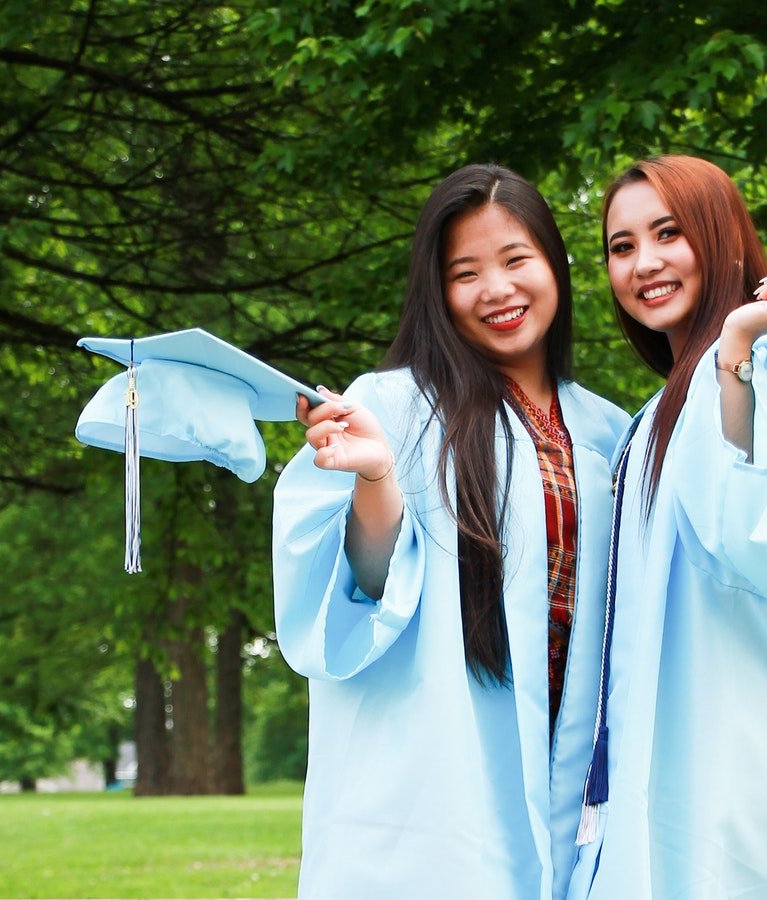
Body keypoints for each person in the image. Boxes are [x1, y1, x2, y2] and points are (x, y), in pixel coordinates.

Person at [272, 163, 630, 900]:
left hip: (573, 763)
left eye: (516, 260)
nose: (496, 289)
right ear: (436, 292)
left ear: (555, 267)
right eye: (465, 273)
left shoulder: (608, 430)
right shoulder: (393, 407)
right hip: (440, 763)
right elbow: (361, 590)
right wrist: (377, 480)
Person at [568, 155, 767, 899]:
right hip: (663, 761)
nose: (644, 263)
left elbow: (766, 546)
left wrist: (738, 347)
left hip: (733, 772)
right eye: (622, 246)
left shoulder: (765, 374)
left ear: (722, 239)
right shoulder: (650, 417)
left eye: (669, 233)